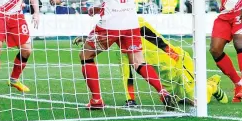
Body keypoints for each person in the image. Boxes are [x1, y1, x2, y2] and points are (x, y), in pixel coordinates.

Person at [50, 0, 176, 111]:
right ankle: (162, 91)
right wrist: (99, 7)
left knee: (85, 55)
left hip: (111, 23)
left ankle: (96, 100)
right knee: (138, 61)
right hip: (131, 22)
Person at [72, 15, 228, 107]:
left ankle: (213, 85)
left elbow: (159, 42)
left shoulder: (137, 23)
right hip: (165, 78)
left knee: (197, 100)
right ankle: (189, 89)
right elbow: (126, 73)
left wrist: (175, 58)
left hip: (177, 63)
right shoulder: (120, 44)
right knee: (183, 100)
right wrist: (130, 99)